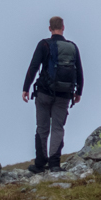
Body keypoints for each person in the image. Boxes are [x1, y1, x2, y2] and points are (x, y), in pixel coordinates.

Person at [22, 16, 84, 173]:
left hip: (44, 93)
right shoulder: (72, 47)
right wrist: (78, 92)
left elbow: (33, 67)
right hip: (64, 94)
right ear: (63, 27)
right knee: (58, 128)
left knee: (42, 128)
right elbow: (80, 72)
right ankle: (55, 164)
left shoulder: (44, 44)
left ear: (49, 28)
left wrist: (26, 88)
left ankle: (40, 164)